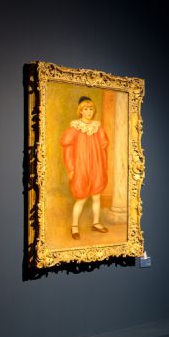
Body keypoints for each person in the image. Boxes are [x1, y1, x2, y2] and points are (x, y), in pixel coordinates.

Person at [60, 96, 110, 240]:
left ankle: (96, 223)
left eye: (91, 109)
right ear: (80, 111)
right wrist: (71, 169)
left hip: (96, 166)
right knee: (81, 198)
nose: (89, 112)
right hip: (81, 167)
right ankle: (74, 226)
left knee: (96, 196)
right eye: (86, 109)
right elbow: (68, 151)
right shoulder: (74, 128)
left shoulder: (98, 128)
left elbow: (103, 149)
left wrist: (103, 165)